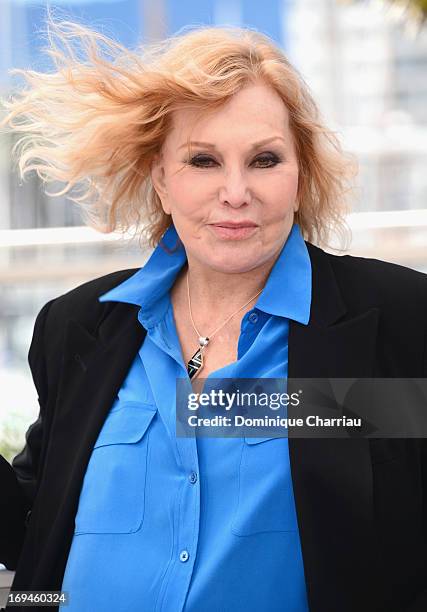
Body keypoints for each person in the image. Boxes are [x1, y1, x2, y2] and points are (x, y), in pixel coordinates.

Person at [0, 17, 426, 612]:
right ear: (162, 181)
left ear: (300, 178)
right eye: (202, 161)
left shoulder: (400, 320)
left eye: (264, 160)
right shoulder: (79, 327)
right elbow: (34, 530)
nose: (235, 192)